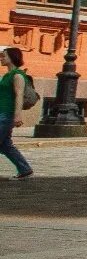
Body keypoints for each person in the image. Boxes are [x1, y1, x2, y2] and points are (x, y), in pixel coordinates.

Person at [0, 47, 33, 179]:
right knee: (5, 145)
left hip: (7, 114)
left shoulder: (18, 75)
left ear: (12, 57)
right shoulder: (7, 75)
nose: (1, 59)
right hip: (2, 112)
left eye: (4, 56)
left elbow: (19, 95)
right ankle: (25, 169)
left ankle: (25, 169)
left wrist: (17, 115)